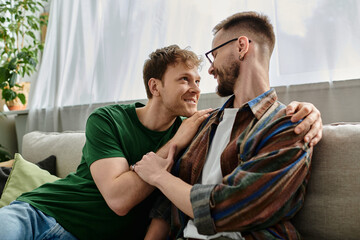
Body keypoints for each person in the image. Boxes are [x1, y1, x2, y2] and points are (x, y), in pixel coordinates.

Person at [0, 47, 320, 239]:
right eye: (184, 79)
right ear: (155, 86)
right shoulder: (108, 119)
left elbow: (254, 118)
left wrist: (308, 112)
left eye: (197, 80)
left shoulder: (198, 131)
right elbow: (119, 198)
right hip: (39, 213)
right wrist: (174, 143)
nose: (195, 88)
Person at [134, 11, 318, 239]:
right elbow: (167, 205)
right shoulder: (203, 123)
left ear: (241, 46)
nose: (210, 69)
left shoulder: (290, 125)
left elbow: (226, 208)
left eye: (215, 54)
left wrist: (159, 177)